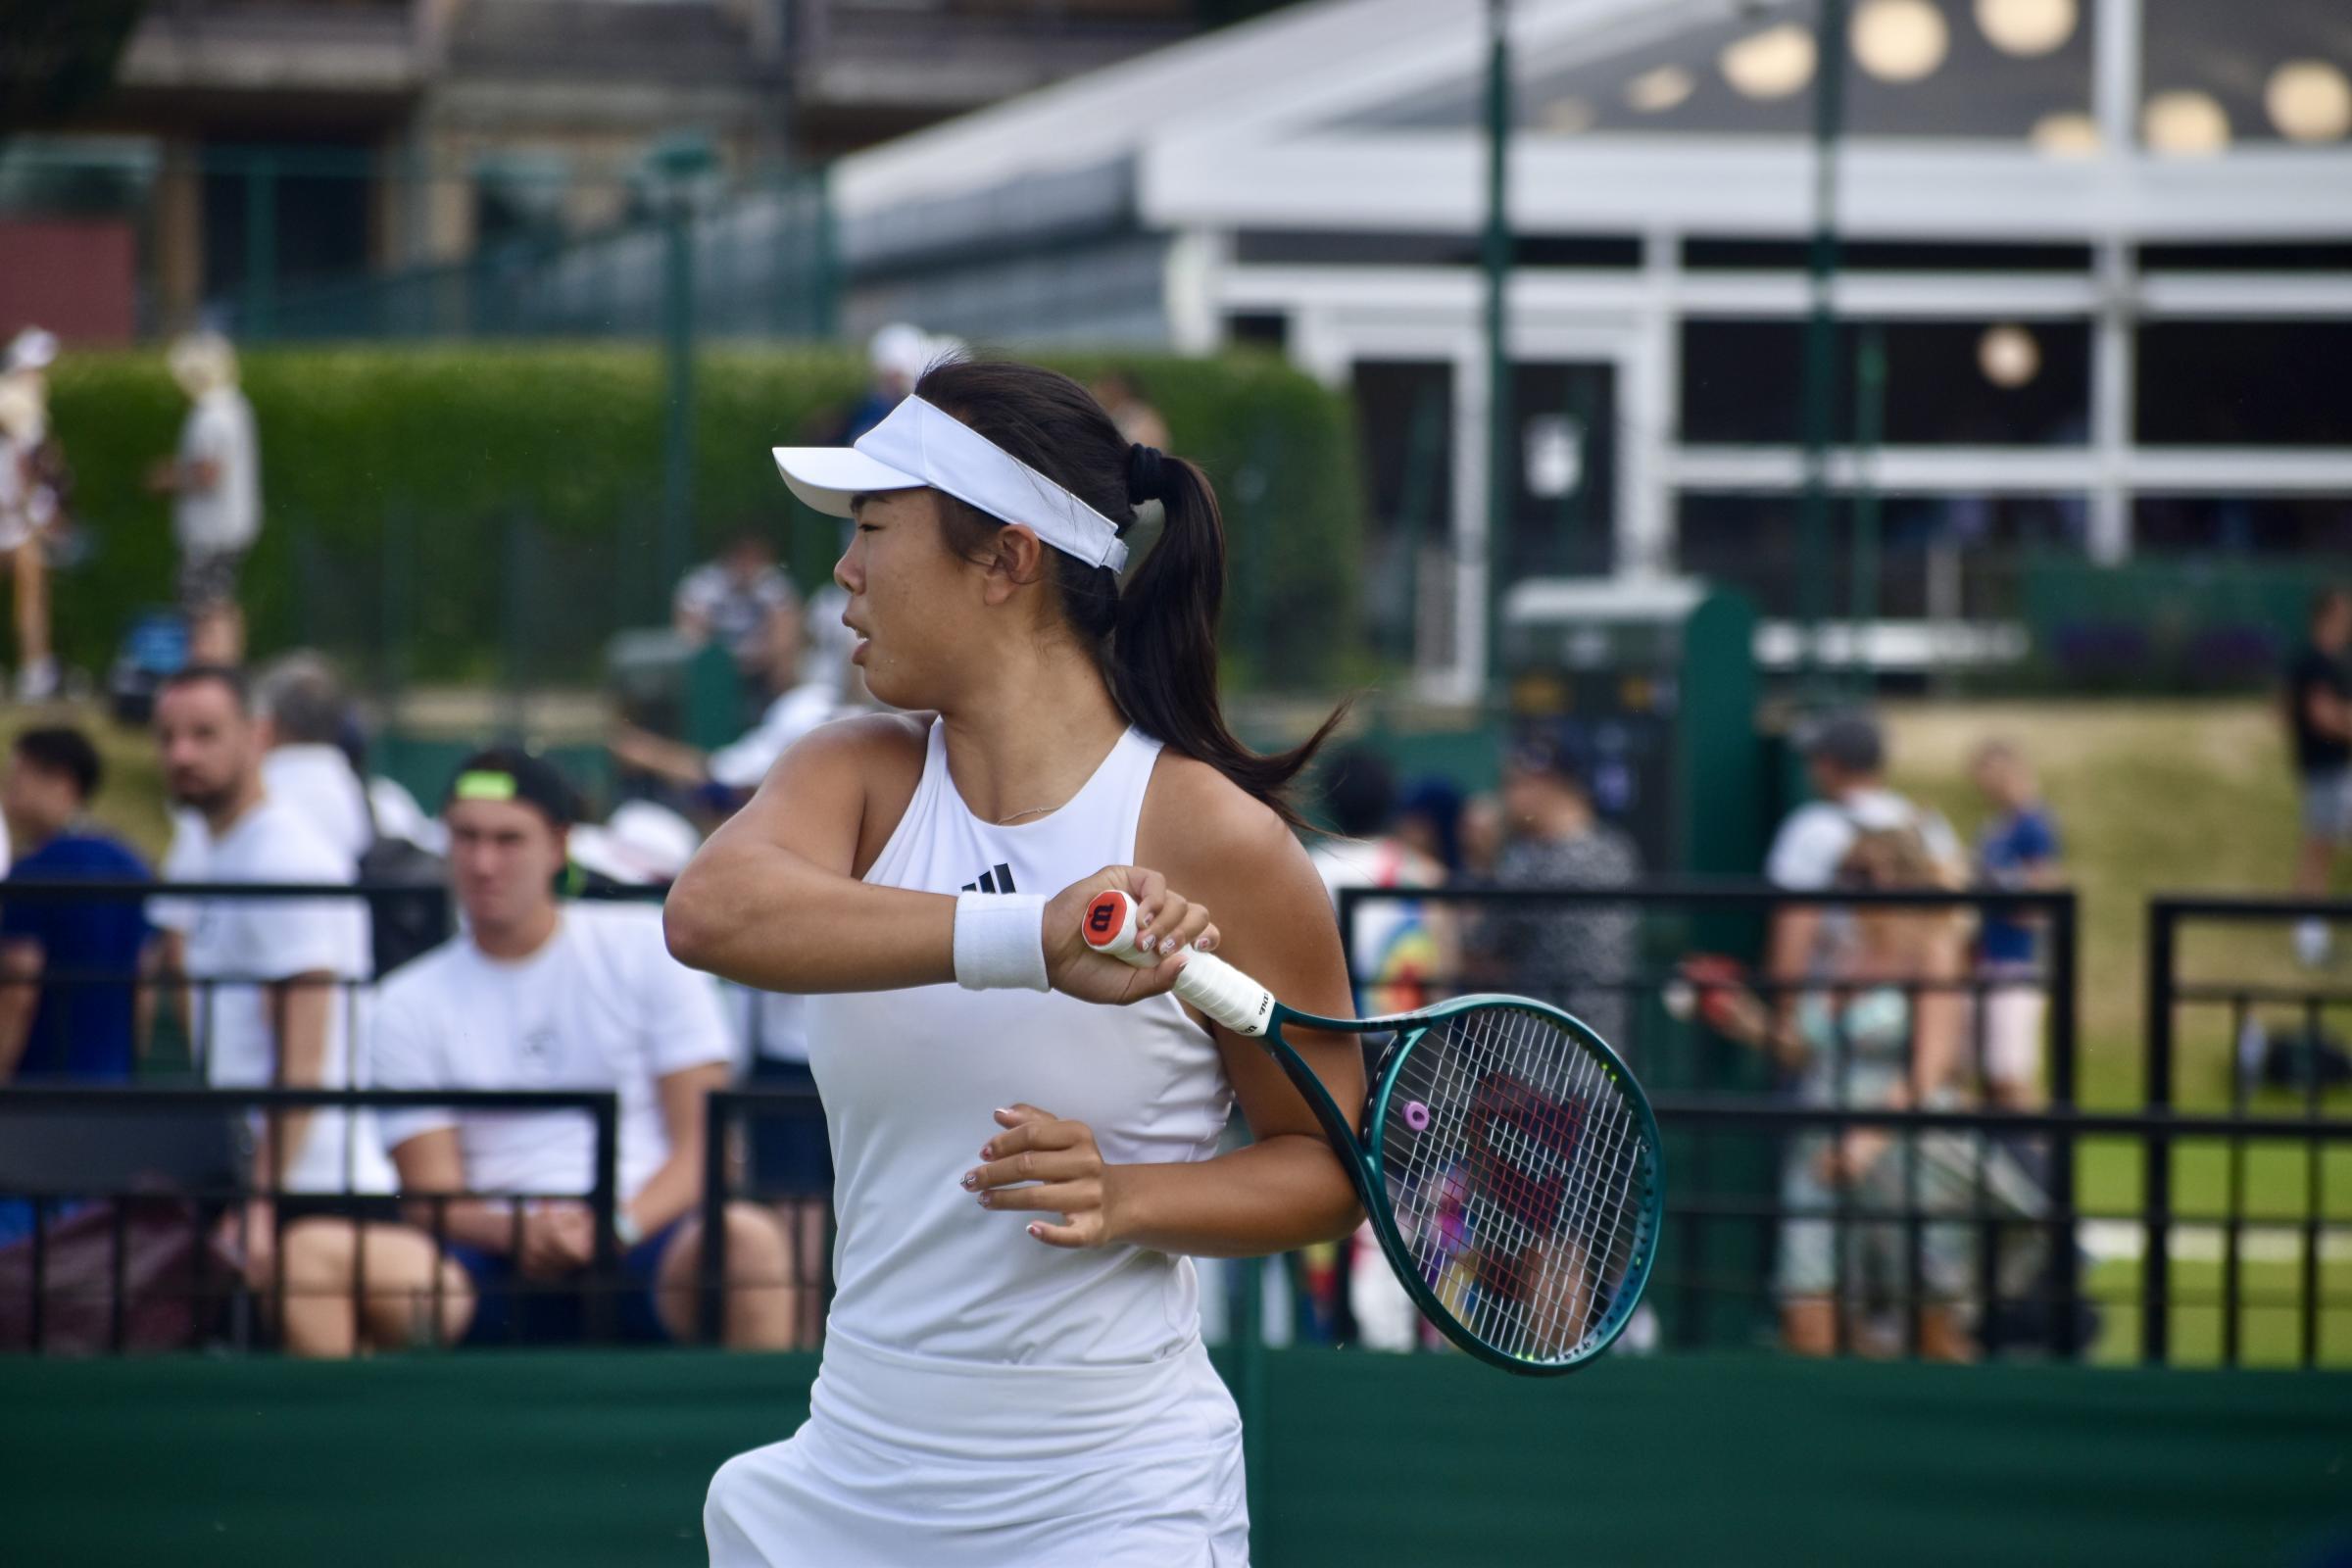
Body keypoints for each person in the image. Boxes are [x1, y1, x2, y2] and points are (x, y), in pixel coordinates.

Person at [670, 357, 1361, 1565]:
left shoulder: (1219, 842)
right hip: (851, 1475)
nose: (843, 569)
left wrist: (1127, 1198)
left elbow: (1325, 1163)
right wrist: (1033, 938)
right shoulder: (855, 772)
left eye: (875, 528)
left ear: (1007, 559)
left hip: (1115, 1494)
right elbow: (713, 913)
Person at [273, 750, 793, 1357]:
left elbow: (705, 1150)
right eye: (465, 838)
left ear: (557, 846)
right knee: (308, 1255)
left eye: (507, 839)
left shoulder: (648, 949)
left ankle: (758, 1449)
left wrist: (614, 1226)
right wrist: (515, 1230)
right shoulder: (405, 1000)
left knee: (750, 1240)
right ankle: (350, 1451)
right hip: (480, 1266)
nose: (483, 862)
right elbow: (429, 1191)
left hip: (648, 1243)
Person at [150, 665, 392, 1309]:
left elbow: (304, 1059)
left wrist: (260, 1202)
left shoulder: (285, 859)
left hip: (310, 1188)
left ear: (256, 737)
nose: (182, 754)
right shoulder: (222, 851)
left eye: (204, 734)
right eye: (168, 736)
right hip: (266, 1181)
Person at [1699, 828, 1981, 1361]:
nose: (1850, 888)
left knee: (1933, 1328)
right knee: (1807, 1312)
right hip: (1821, 1142)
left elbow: (1932, 1066)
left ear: (1903, 879)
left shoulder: (1934, 950)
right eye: (1843, 875)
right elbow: (1809, 1051)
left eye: (1865, 875)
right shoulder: (1837, 952)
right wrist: (1748, 1023)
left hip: (1905, 1147)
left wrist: (1866, 1141)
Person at [1765, 710, 1961, 1018]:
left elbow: (1796, 926)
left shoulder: (1811, 829)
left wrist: (1785, 1017)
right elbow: (1949, 928)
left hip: (1837, 1007)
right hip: (1919, 1005)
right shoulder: (1930, 826)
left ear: (1827, 765)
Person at [0, 728, 152, 1083]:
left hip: (40, 1088)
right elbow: (144, 985)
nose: (9, 786)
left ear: (62, 782)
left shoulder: (36, 870)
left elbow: (19, 984)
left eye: (20, 773)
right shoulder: (132, 864)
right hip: (111, 1084)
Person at [1482, 734, 1641, 1051]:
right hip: (1606, 1058)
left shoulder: (1532, 863)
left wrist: (1484, 857)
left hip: (1538, 1063)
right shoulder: (1619, 851)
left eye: (1515, 782)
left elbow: (1481, 951)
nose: (1506, 794)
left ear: (1547, 784)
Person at [147, 332, 260, 664]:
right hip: (231, 526)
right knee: (220, 600)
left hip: (211, 531)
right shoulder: (236, 405)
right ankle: (227, 667)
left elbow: (209, 474)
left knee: (202, 606)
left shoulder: (210, 414)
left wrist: (167, 478)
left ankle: (213, 668)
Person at [1969, 739, 2062, 1107]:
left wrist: (1998, 892)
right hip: (1989, 954)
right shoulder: (1993, 829)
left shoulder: (2034, 826)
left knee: (2012, 1076)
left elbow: (2039, 901)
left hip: (2018, 958)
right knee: (1991, 1078)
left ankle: (2040, 1162)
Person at [2286, 587, 2352, 966]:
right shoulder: (2318, 661)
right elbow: (2321, 714)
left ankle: (2312, 933)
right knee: (2319, 851)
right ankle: (2309, 936)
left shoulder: (2320, 661)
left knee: (2321, 850)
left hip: (2330, 769)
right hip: (2326, 769)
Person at [0, 328, 63, 699]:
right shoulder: (22, 413)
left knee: (31, 598)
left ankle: (34, 673)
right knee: (31, 598)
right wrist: (35, 513)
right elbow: (26, 471)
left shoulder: (24, 411)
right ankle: (35, 673)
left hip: (16, 519)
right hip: (17, 522)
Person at [674, 529, 801, 690]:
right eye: (742, 556)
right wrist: (723, 657)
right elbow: (690, 632)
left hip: (763, 667)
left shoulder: (772, 584)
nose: (746, 564)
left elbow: (786, 633)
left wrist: (760, 656)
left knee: (787, 662)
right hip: (717, 666)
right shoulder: (705, 585)